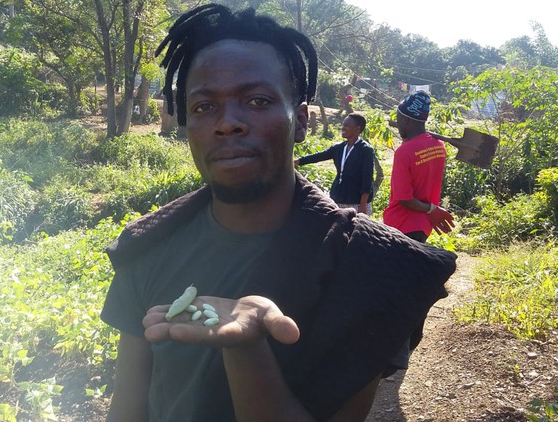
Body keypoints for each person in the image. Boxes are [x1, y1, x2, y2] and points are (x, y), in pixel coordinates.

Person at [100, 5, 456, 421]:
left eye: (257, 100)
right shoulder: (148, 247)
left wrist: (246, 347)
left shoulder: (376, 268)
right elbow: (126, 409)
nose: (227, 123)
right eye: (203, 107)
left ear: (301, 119)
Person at [382, 91, 455, 375]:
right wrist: (432, 211)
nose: (397, 123)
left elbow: (403, 197)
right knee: (409, 284)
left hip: (402, 225)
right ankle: (410, 339)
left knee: (398, 293)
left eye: (399, 118)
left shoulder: (405, 152)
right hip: (421, 228)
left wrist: (430, 210)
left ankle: (395, 358)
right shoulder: (438, 146)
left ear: (406, 119)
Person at [295, 113, 375, 215]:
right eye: (343, 125)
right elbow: (320, 156)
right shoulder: (339, 148)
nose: (343, 128)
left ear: (357, 129)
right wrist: (297, 162)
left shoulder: (365, 150)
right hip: (338, 198)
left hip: (356, 202)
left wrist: (363, 205)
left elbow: (367, 179)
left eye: (347, 126)